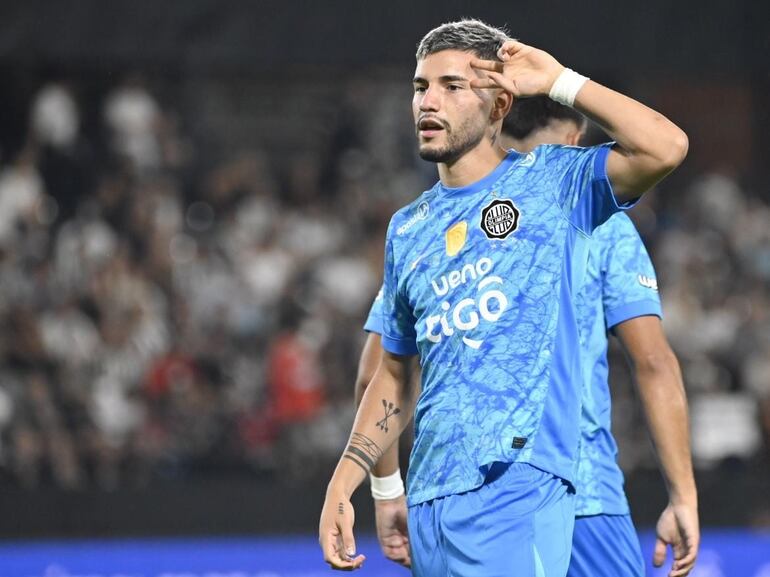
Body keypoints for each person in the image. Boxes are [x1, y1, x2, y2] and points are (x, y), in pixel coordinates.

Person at [319, 19, 689, 576]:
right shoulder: (408, 227)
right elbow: (392, 372)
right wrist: (347, 483)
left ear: (498, 106)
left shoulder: (555, 184)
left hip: (517, 485)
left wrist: (561, 81)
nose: (429, 101)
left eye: (452, 86)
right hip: (432, 499)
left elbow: (666, 146)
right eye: (421, 87)